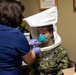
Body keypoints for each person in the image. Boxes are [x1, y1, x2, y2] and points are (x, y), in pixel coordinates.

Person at [24, 6, 70, 75]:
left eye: (44, 33)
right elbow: (32, 70)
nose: (40, 36)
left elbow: (62, 73)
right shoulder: (37, 49)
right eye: (39, 33)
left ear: (51, 33)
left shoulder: (61, 52)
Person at [0, 0, 40, 75]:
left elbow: (5, 44)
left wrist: (27, 43)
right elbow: (28, 60)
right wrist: (34, 51)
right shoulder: (16, 35)